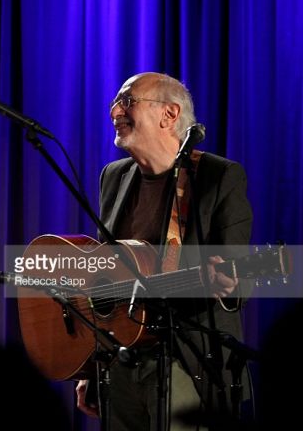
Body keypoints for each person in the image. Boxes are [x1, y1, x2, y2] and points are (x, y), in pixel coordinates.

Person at [75, 72, 253, 430]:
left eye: (127, 101)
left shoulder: (218, 176)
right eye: (115, 102)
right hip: (121, 361)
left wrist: (231, 281)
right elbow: (103, 276)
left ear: (169, 114)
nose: (114, 110)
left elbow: (241, 276)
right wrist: (91, 364)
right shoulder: (113, 176)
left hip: (186, 362)